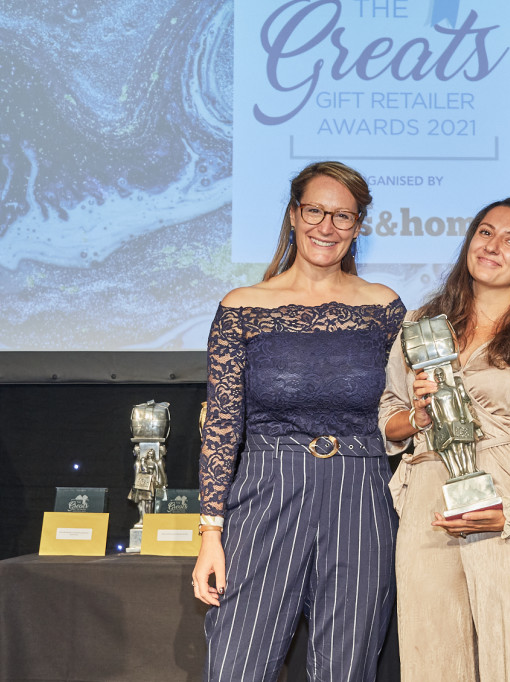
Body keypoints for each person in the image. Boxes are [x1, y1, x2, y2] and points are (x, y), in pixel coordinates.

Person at [191, 161, 405, 681]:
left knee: (347, 669)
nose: (326, 227)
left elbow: (404, 410)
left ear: (358, 227)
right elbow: (222, 427)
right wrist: (210, 534)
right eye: (315, 210)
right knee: (237, 667)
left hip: (362, 497)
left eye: (343, 217)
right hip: (266, 491)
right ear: (293, 214)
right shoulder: (242, 307)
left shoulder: (385, 307)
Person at [380, 198, 510, 681]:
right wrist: (417, 413)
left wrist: (509, 513)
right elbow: (388, 419)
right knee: (433, 659)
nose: (493, 246)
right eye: (485, 233)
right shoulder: (421, 323)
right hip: (429, 510)